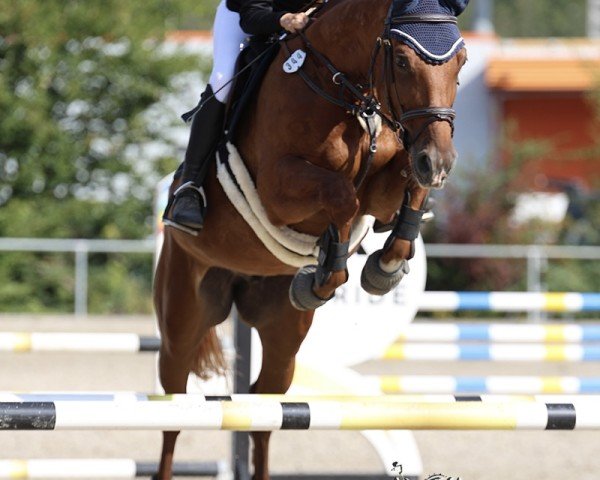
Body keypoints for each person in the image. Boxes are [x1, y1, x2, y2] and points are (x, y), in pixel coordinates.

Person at [170, 0, 313, 231]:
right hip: (245, 16)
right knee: (222, 79)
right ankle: (190, 185)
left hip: (304, 22)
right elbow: (251, 17)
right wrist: (283, 19)